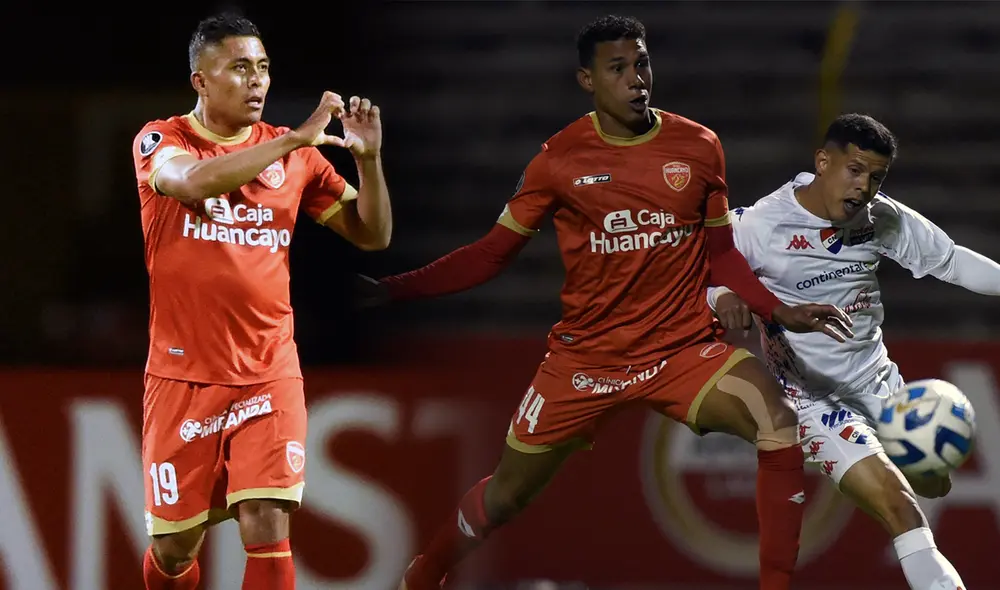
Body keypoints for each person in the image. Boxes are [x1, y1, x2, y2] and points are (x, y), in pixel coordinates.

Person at [360, 15, 851, 590]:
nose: (636, 79)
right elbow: (491, 254)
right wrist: (394, 289)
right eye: (617, 69)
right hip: (586, 361)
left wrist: (777, 309)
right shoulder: (559, 161)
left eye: (641, 64)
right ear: (586, 80)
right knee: (507, 494)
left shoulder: (698, 146)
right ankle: (424, 573)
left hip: (680, 350)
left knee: (777, 420)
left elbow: (722, 255)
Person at [131, 12, 392, 590]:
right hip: (183, 375)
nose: (257, 81)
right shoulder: (161, 138)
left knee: (267, 519)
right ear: (200, 79)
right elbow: (191, 184)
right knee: (174, 551)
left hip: (268, 369)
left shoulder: (292, 157)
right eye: (240, 67)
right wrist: (298, 137)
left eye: (264, 68)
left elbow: (372, 235)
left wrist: (369, 161)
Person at [707, 113, 996, 590]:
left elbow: (952, 262)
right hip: (813, 401)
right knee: (898, 504)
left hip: (880, 383)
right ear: (823, 162)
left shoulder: (881, 218)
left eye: (876, 177)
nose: (864, 187)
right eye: (855, 170)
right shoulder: (762, 225)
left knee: (934, 484)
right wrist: (723, 296)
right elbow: (698, 271)